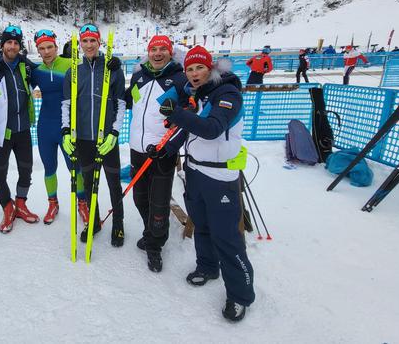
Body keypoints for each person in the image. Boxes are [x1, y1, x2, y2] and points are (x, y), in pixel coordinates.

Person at [160, 45, 255, 322]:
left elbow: (212, 129)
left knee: (227, 237)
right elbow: (191, 130)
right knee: (201, 225)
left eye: (199, 67)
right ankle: (207, 267)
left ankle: (240, 295)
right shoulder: (199, 96)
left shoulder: (227, 94)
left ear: (211, 68)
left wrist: (175, 113)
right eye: (189, 69)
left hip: (220, 177)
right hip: (196, 172)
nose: (193, 73)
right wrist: (165, 149)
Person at [61, 23, 127, 247]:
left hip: (106, 138)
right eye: (85, 41)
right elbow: (66, 104)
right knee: (89, 182)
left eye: (93, 40)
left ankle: (118, 223)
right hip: (83, 139)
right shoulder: (73, 71)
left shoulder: (112, 69)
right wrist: (66, 132)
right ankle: (95, 221)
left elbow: (120, 103)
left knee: (113, 182)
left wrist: (115, 133)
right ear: (80, 44)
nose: (89, 45)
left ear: (100, 42)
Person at [126, 35, 187, 272]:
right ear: (148, 52)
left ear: (170, 52)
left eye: (163, 49)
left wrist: (169, 146)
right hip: (137, 149)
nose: (158, 53)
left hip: (161, 151)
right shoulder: (139, 75)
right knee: (139, 197)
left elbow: (186, 117)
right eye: (154, 49)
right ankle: (151, 230)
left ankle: (155, 245)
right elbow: (131, 100)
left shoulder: (179, 79)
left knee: (159, 201)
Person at [0, 25, 38, 233]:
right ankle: (7, 207)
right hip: (0, 134)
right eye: (8, 42)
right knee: (0, 173)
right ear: (2, 44)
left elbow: (47, 72)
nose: (12, 46)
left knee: (26, 170)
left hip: (22, 132)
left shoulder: (25, 66)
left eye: (16, 43)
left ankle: (21, 204)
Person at [30, 29, 85, 224]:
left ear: (56, 47)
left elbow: (93, 66)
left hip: (67, 125)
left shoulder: (72, 64)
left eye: (50, 47)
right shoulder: (36, 72)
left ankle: (82, 203)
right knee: (49, 167)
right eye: (42, 48)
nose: (46, 51)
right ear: (38, 50)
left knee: (74, 167)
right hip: (45, 125)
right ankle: (53, 203)